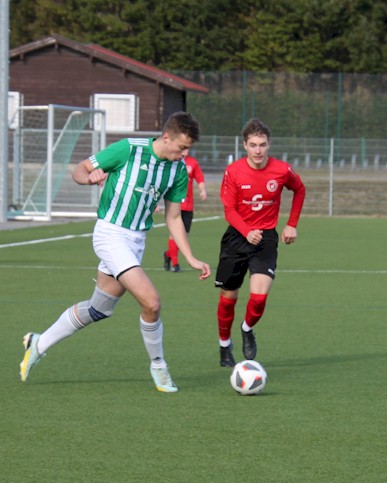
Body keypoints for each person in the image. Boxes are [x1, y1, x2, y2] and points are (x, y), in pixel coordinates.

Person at [19, 112, 212, 392]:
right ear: (166, 137)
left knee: (99, 309)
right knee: (152, 302)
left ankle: (39, 343)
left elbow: (173, 217)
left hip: (136, 241)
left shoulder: (178, 170)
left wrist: (190, 257)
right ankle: (159, 366)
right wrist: (89, 178)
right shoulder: (128, 149)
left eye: (188, 149)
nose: (184, 154)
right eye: (182, 147)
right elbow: (80, 169)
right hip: (110, 234)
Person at [214, 118, 306, 367]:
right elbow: (229, 210)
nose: (258, 150)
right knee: (228, 298)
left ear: (269, 145)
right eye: (253, 145)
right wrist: (246, 231)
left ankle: (247, 328)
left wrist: (292, 224)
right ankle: (224, 345)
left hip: (265, 238)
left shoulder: (282, 170)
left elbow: (300, 189)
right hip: (236, 237)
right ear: (245, 145)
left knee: (259, 296)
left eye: (262, 145)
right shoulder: (233, 171)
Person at [163, 149, 207, 272]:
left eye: (186, 147)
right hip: (175, 204)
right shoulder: (172, 161)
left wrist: (202, 190)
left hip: (188, 206)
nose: (184, 150)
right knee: (174, 234)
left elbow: (200, 178)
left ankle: (168, 255)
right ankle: (175, 264)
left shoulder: (193, 162)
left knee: (183, 236)